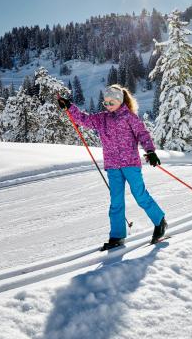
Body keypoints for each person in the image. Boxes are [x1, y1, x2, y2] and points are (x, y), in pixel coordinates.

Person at [58, 84, 167, 248]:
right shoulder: (102, 119)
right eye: (105, 103)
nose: (108, 106)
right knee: (116, 201)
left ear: (120, 101)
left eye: (111, 103)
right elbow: (83, 119)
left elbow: (142, 134)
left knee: (140, 195)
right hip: (113, 166)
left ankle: (159, 221)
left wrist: (150, 151)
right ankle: (117, 236)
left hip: (130, 164)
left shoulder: (129, 117)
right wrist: (69, 107)